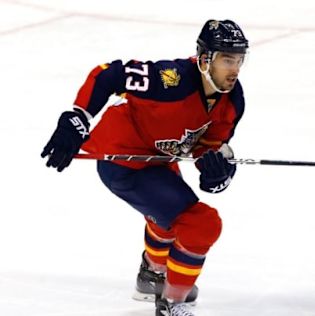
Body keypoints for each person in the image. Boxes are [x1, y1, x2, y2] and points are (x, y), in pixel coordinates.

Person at [41, 19, 249, 316]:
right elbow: (109, 74)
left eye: (240, 59)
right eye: (227, 59)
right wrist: (77, 117)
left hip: (158, 160)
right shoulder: (170, 80)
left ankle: (152, 276)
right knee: (201, 224)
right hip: (123, 160)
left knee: (169, 215)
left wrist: (218, 173)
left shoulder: (233, 101)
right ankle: (172, 302)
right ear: (205, 60)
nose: (235, 69)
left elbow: (208, 147)